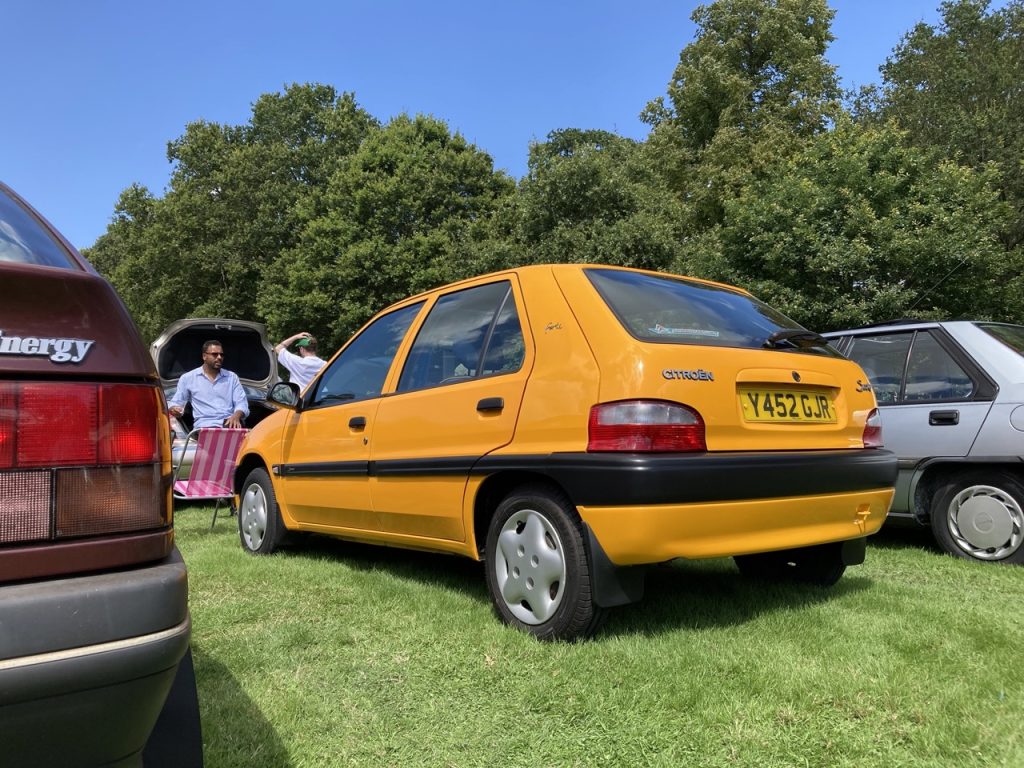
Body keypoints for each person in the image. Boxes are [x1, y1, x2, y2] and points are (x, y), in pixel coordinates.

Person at [167, 340, 249, 428]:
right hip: (204, 427)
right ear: (204, 356)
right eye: (215, 354)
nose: (219, 357)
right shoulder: (188, 378)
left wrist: (236, 416)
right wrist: (174, 409)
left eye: (221, 355)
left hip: (228, 426)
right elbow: (176, 402)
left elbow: (242, 403)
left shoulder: (232, 377)